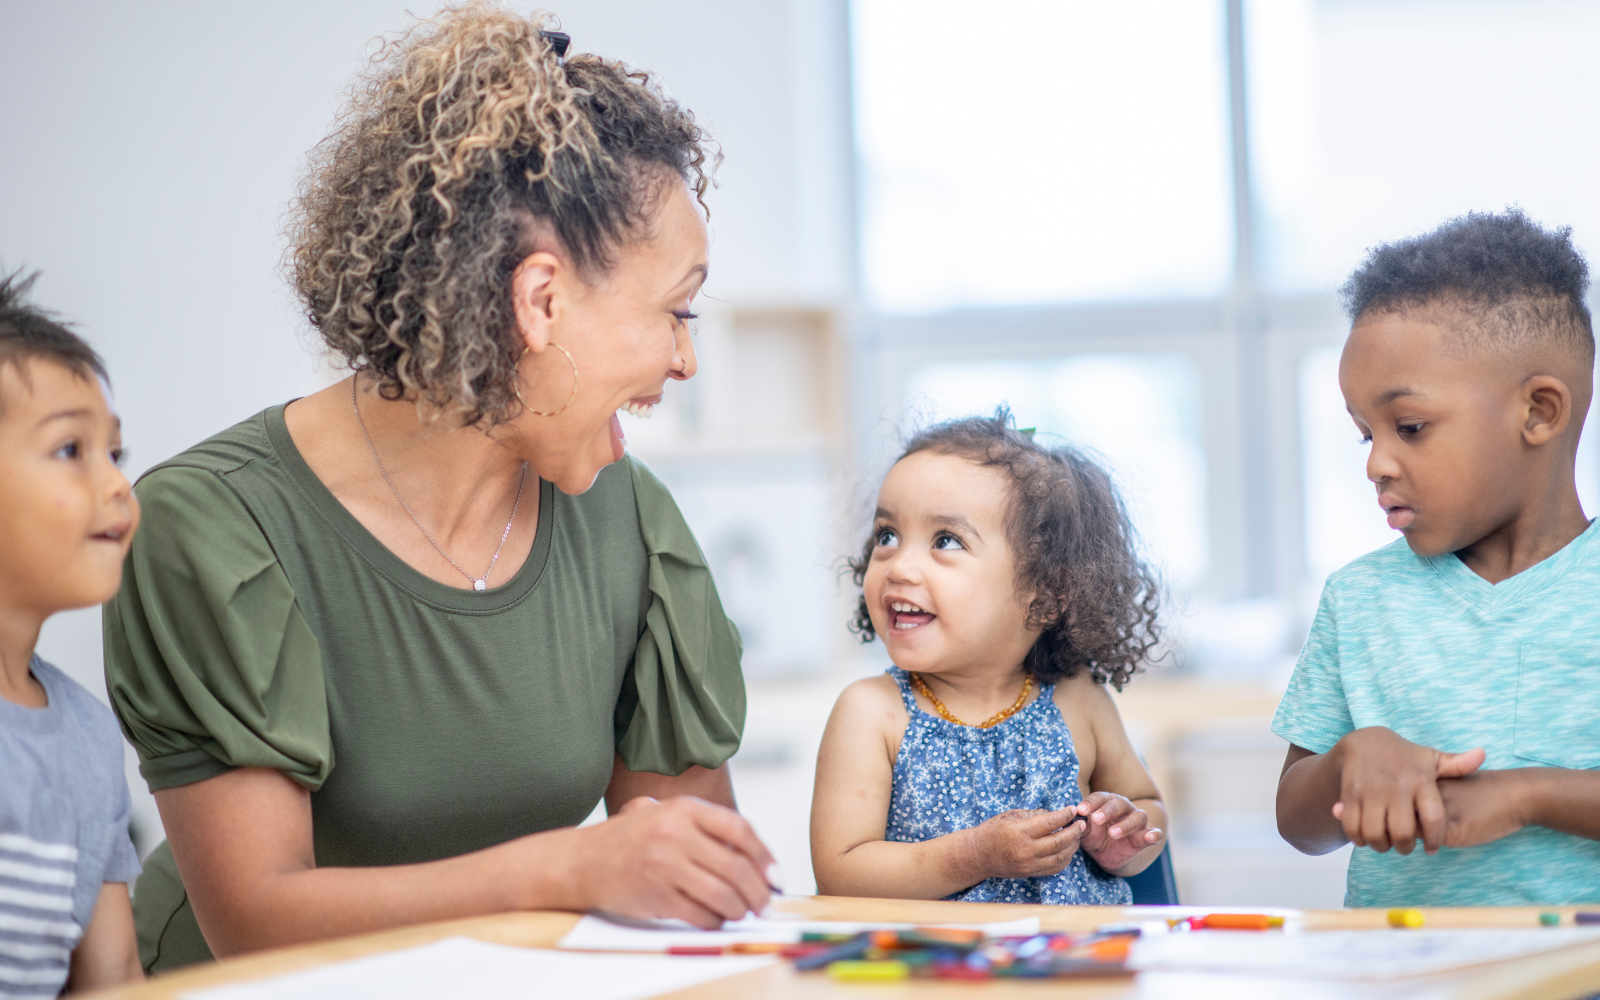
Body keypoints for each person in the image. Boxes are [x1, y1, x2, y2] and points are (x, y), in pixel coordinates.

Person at [102, 5, 777, 973]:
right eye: (675, 311)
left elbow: (696, 879)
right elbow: (254, 914)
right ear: (541, 302)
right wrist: (568, 867)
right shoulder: (215, 526)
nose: (684, 359)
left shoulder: (630, 519)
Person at [1274, 209, 1600, 906]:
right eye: (1366, 435)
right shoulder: (1359, 599)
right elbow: (1297, 821)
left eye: (1410, 427)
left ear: (1540, 412)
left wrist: (1525, 795)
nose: (1377, 464)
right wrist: (1347, 764)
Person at [810, 411, 1167, 903]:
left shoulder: (1078, 698)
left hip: (1075, 967)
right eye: (887, 536)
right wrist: (976, 855)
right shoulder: (872, 712)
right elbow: (839, 873)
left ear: (1046, 590)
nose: (899, 566)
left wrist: (1122, 839)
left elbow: (1148, 808)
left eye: (946, 540)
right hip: (929, 971)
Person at [0, 270, 144, 994]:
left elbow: (112, 977)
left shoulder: (88, 736)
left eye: (114, 453)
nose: (118, 484)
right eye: (70, 450)